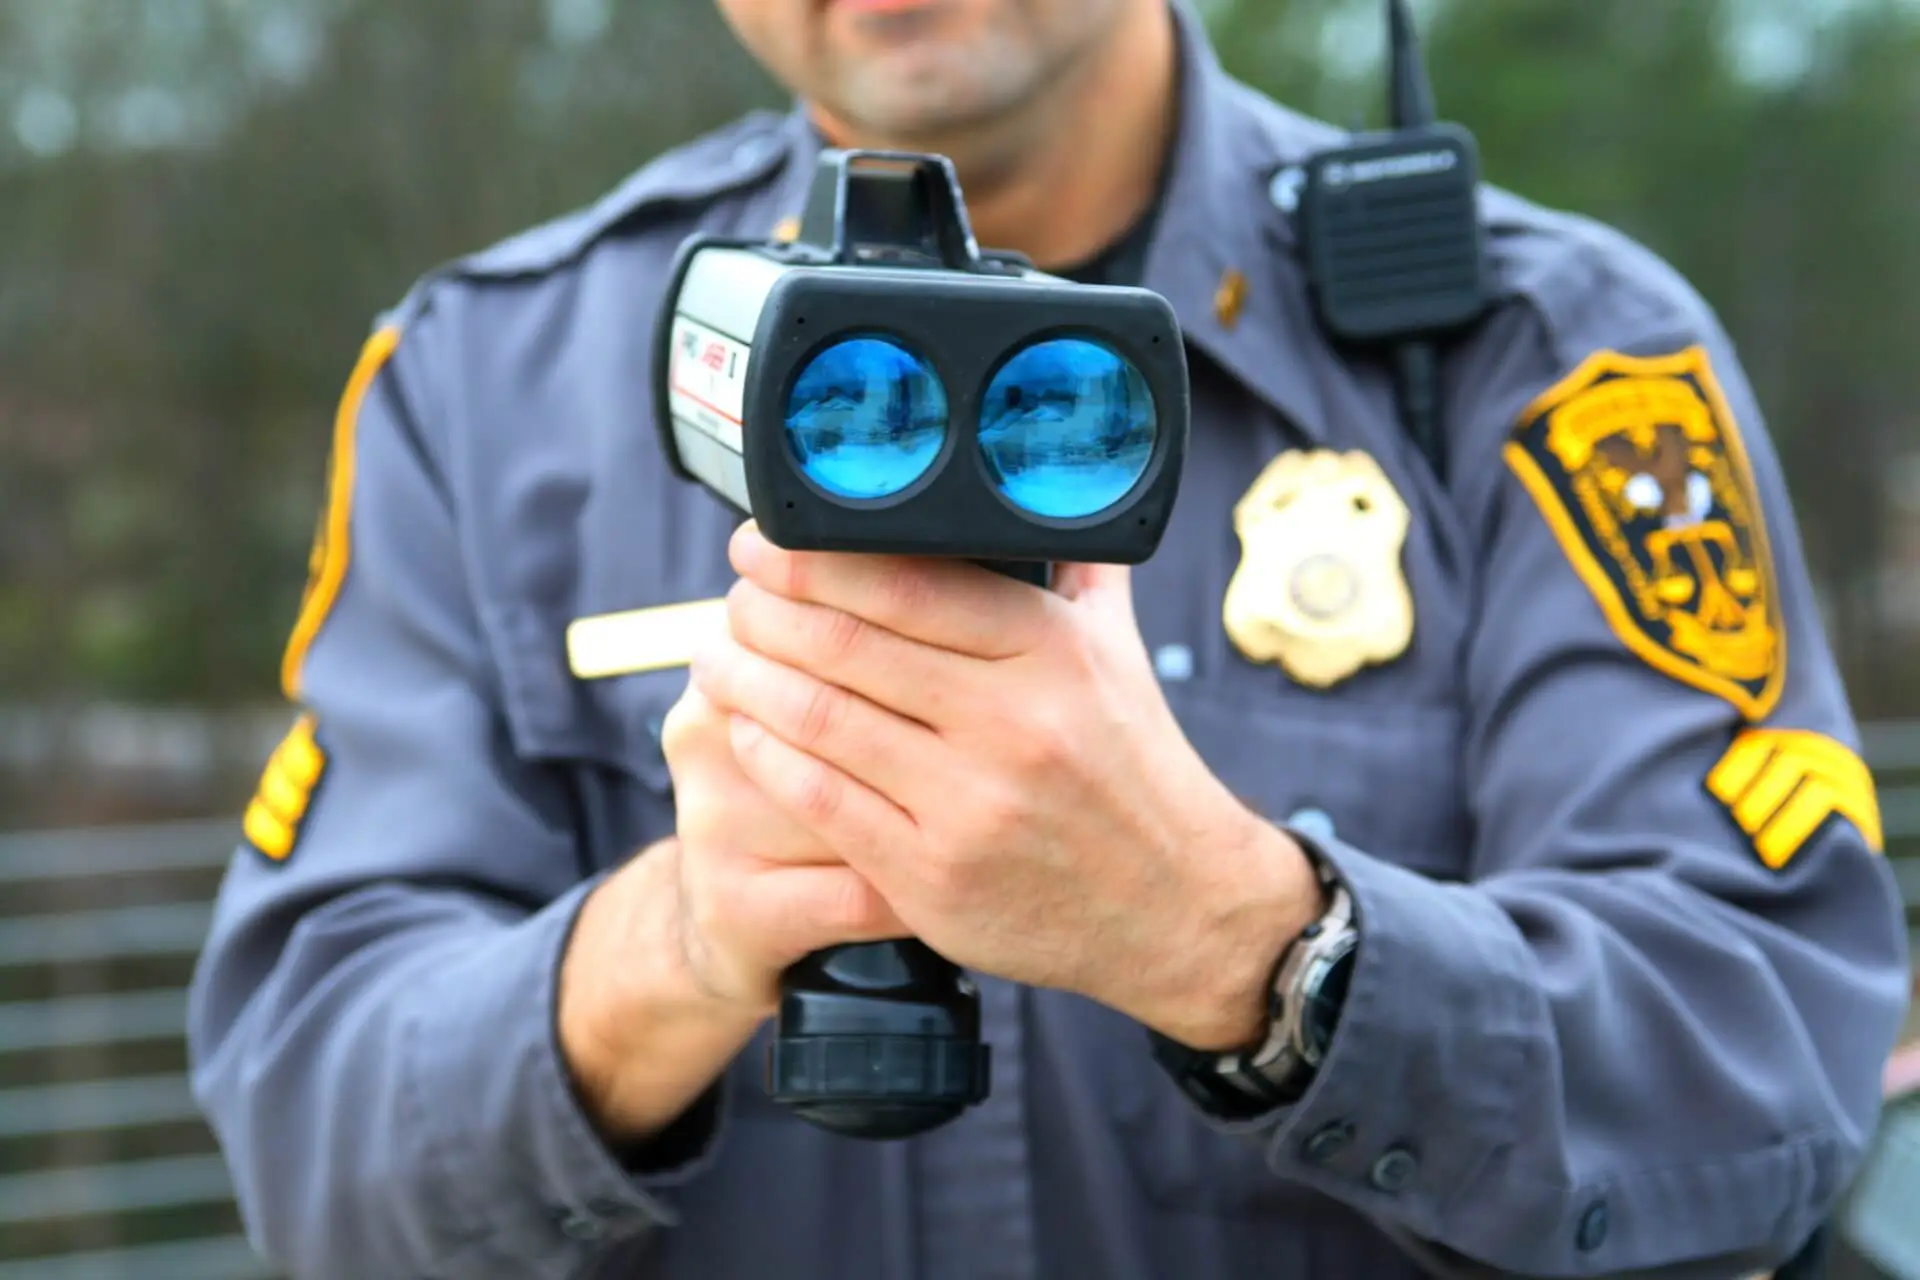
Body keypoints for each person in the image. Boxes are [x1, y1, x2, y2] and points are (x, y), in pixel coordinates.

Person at [185, 1, 1913, 1277]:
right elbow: (312, 1140)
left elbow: (1765, 1052)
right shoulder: (484, 391)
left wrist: (1241, 942)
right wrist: (681, 943)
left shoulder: (1540, 355)